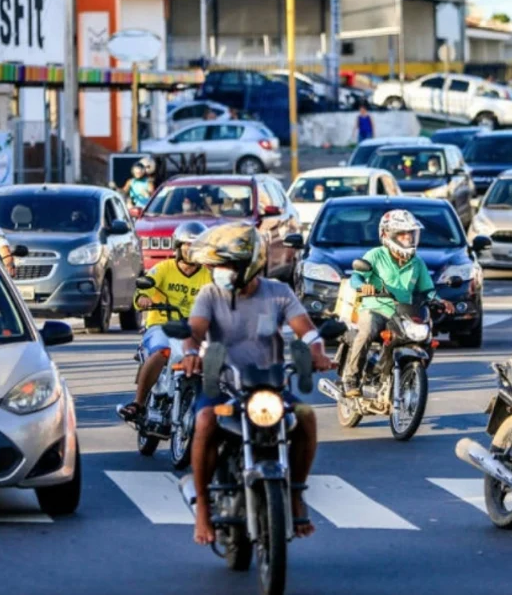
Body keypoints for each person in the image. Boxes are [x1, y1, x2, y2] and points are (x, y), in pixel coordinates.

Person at [180, 223, 334, 545]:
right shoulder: (210, 294)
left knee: (306, 416)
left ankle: (294, 494)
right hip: (224, 385)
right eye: (216, 266)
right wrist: (192, 353)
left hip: (270, 387)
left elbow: (307, 331)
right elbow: (195, 332)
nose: (218, 272)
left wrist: (318, 351)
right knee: (205, 420)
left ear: (248, 266)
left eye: (225, 266)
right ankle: (204, 509)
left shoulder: (279, 292)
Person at [341, 210, 453, 397]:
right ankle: (351, 378)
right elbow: (356, 277)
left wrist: (441, 301)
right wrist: (363, 287)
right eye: (403, 234)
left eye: (411, 234)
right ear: (387, 235)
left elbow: (427, 290)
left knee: (423, 339)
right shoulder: (376, 255)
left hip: (403, 311)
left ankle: (404, 376)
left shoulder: (417, 263)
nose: (408, 238)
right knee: (367, 331)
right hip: (375, 308)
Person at [117, 222, 211, 423]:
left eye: (197, 246)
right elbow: (142, 292)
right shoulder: (163, 269)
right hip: (162, 325)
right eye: (188, 245)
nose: (192, 251)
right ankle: (138, 403)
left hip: (194, 330)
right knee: (162, 351)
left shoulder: (208, 276)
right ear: (178, 246)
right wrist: (144, 299)